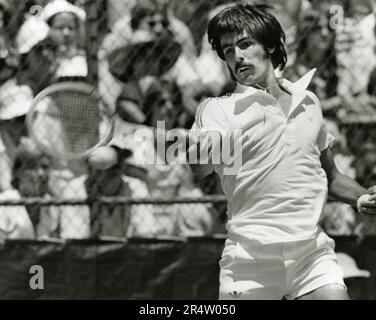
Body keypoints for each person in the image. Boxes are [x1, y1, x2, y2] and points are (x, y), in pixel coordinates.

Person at [187, 3, 376, 300]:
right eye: (227, 51)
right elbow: (200, 168)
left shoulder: (309, 102)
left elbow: (330, 176)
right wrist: (200, 150)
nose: (237, 55)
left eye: (245, 44)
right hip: (249, 263)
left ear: (272, 45)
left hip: (311, 255)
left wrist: (362, 197)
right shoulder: (217, 110)